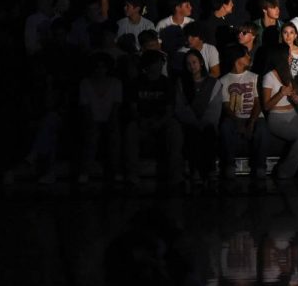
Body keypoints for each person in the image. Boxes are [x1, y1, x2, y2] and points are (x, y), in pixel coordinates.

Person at [122, 49, 184, 187]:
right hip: (142, 122)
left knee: (175, 129)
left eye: (160, 63)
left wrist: (160, 122)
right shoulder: (136, 83)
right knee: (131, 130)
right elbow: (133, 108)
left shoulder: (166, 83)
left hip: (162, 122)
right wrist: (141, 120)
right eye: (156, 63)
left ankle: (175, 174)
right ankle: (132, 173)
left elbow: (169, 110)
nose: (159, 65)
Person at [259, 43, 298, 180]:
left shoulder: (288, 74)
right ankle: (285, 171)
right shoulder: (269, 77)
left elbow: (295, 100)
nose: (291, 57)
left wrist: (296, 99)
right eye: (288, 55)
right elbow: (266, 106)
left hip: (292, 114)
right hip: (277, 117)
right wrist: (280, 93)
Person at [217, 45, 269, 180]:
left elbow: (258, 102)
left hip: (254, 117)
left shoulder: (254, 77)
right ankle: (229, 165)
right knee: (225, 126)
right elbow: (226, 106)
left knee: (262, 128)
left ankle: (260, 166)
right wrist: (238, 122)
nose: (249, 57)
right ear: (237, 59)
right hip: (235, 118)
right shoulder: (224, 80)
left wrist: (251, 122)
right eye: (245, 55)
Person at [175, 49, 221, 185]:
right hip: (189, 124)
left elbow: (215, 108)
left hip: (207, 124)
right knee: (192, 133)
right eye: (188, 63)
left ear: (201, 62)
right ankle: (194, 170)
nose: (192, 66)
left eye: (194, 62)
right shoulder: (181, 83)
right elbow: (180, 107)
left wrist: (204, 122)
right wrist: (194, 122)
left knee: (208, 132)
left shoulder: (213, 83)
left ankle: (210, 170)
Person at [77, 52, 122, 184]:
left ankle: (116, 171)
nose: (100, 70)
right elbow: (86, 110)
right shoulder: (85, 83)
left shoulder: (116, 83)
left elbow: (116, 108)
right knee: (91, 135)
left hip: (109, 120)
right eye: (97, 67)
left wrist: (110, 123)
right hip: (92, 120)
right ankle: (85, 171)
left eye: (103, 67)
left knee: (114, 136)